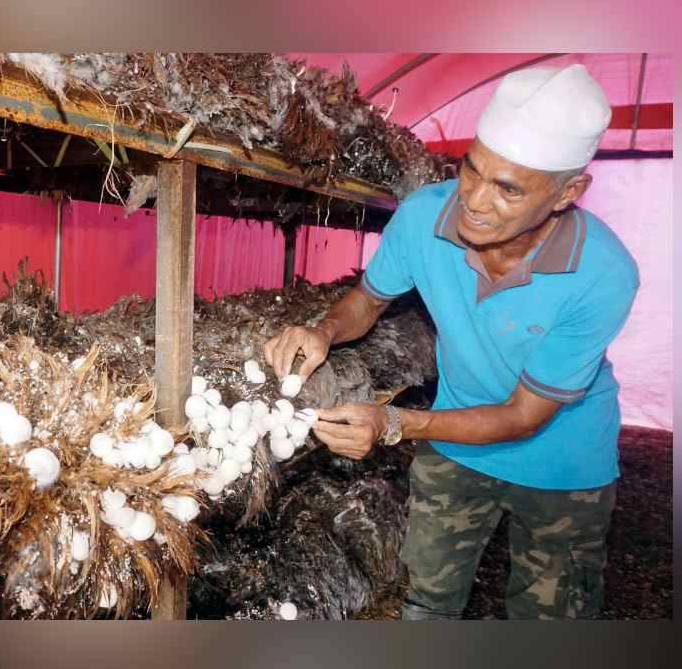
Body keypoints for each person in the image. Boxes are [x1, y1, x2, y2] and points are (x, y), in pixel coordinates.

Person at [263, 64, 639, 620]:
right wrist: (322, 330)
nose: (476, 201)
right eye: (472, 170)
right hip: (457, 439)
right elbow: (366, 301)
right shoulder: (423, 218)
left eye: (508, 188)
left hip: (563, 462)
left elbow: (524, 415)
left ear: (569, 192)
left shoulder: (603, 272)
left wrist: (394, 423)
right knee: (425, 600)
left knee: (552, 616)